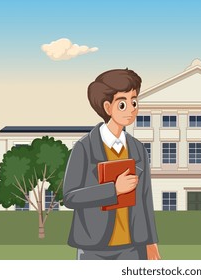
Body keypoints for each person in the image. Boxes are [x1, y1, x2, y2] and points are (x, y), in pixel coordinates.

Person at [63, 68, 160, 260]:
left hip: (133, 246)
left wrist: (151, 243)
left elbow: (145, 200)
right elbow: (70, 197)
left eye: (134, 101)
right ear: (108, 108)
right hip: (94, 246)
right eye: (123, 104)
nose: (132, 109)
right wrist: (113, 190)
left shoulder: (138, 149)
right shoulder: (85, 148)